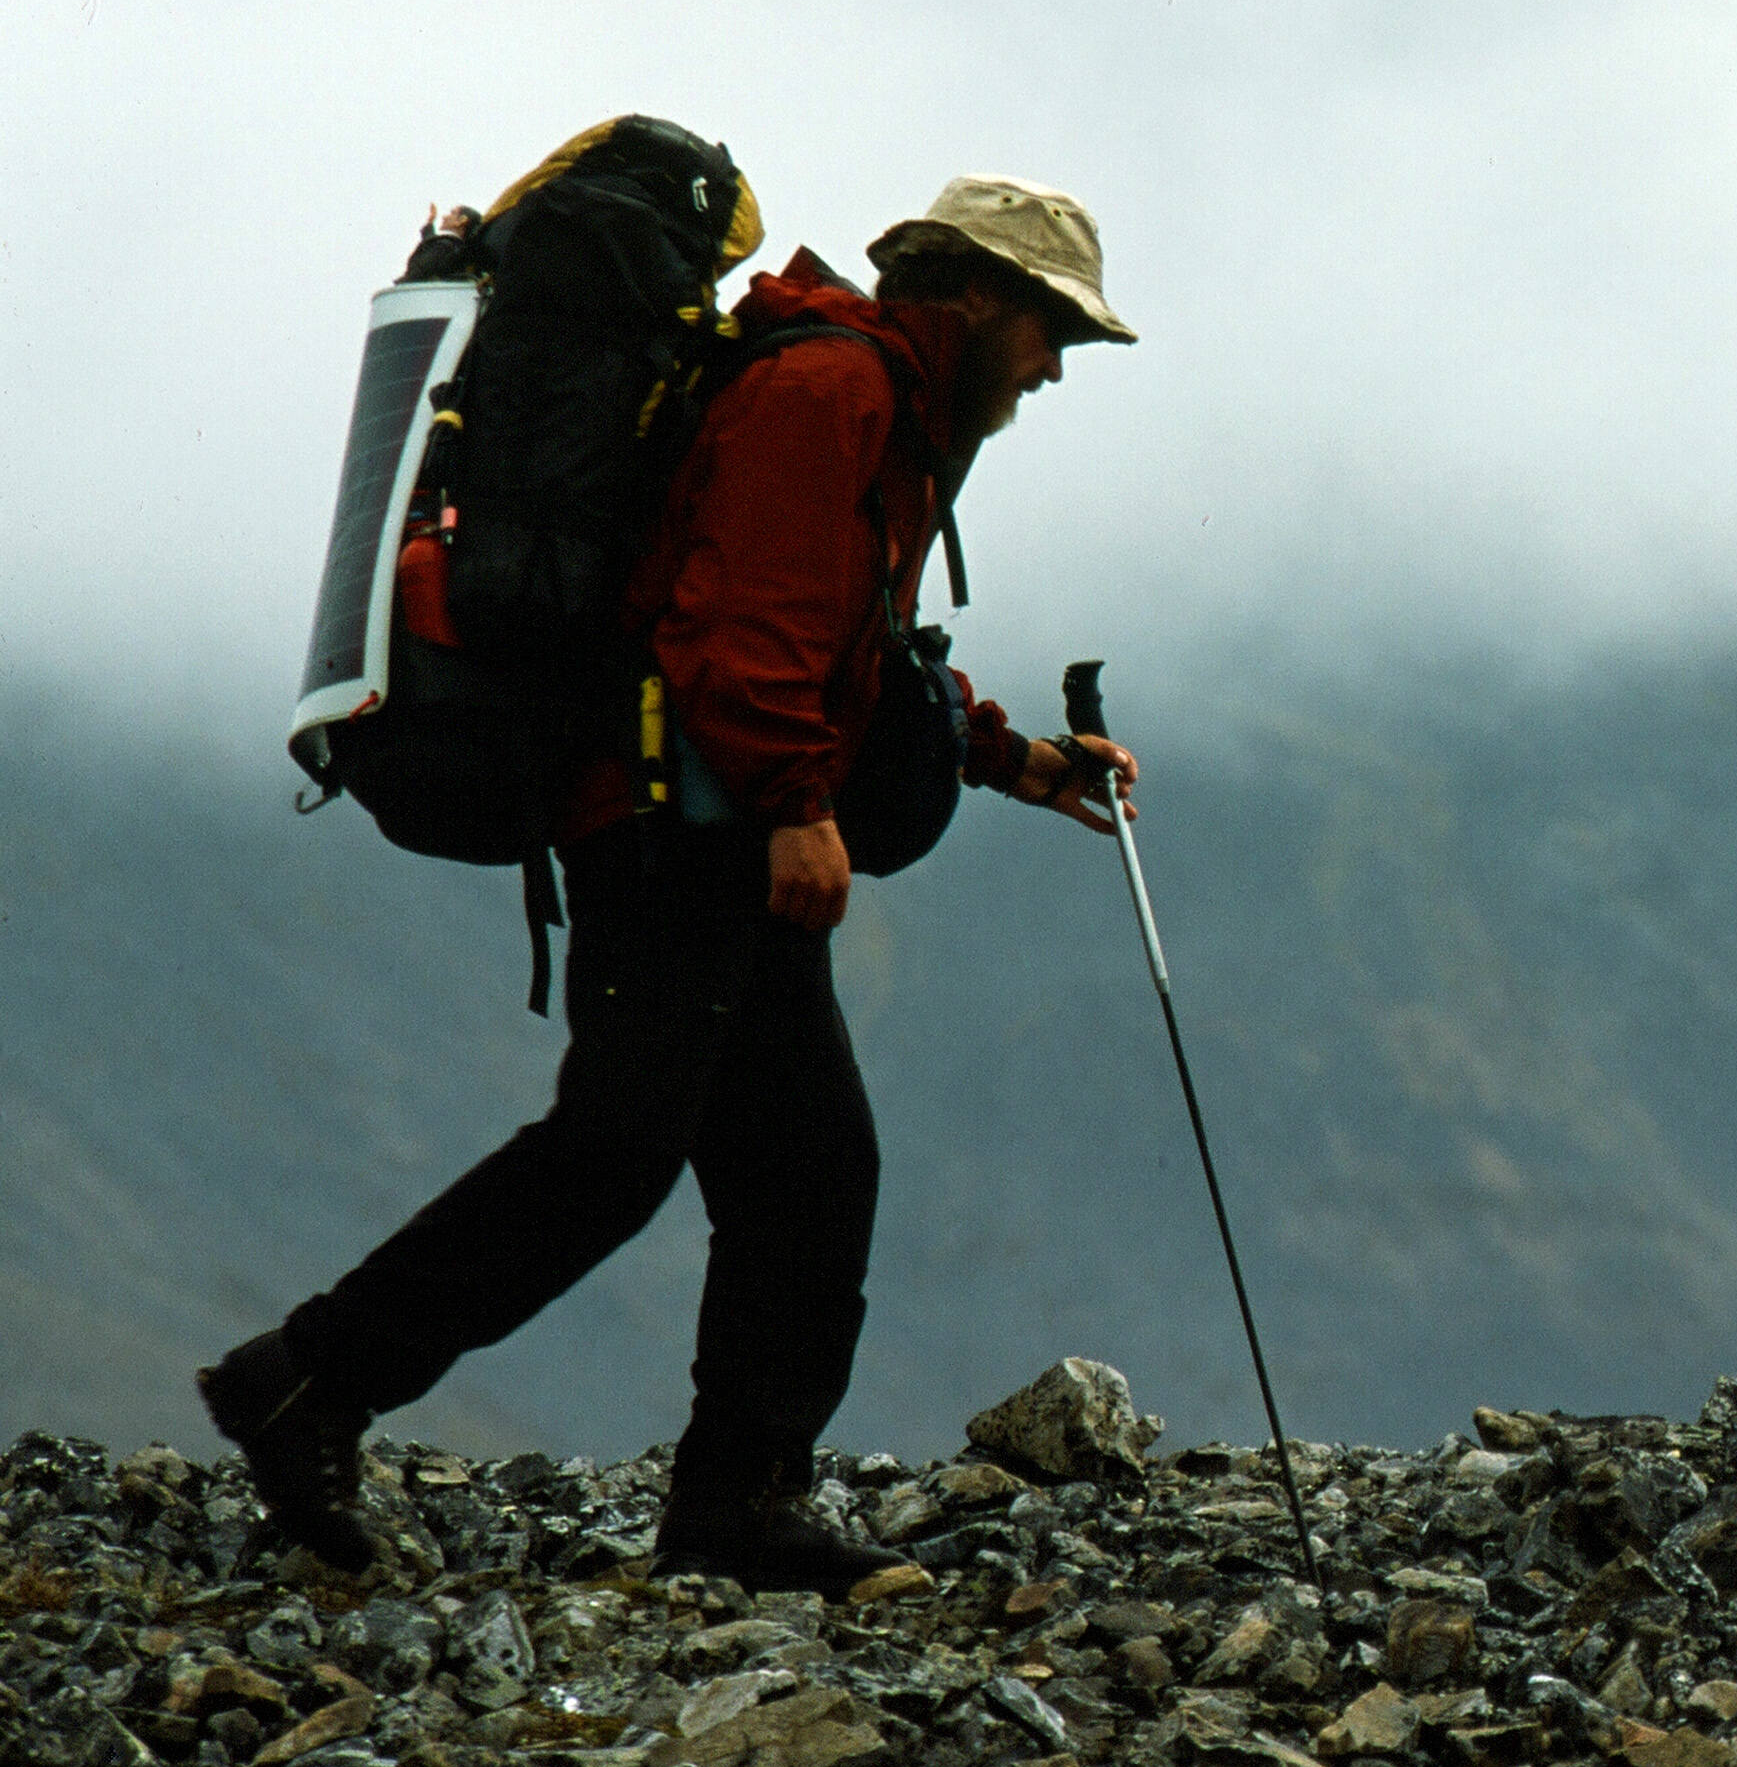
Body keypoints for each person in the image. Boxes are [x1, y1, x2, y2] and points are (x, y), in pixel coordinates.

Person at [199, 175, 1144, 1590]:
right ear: (978, 299)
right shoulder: (833, 394)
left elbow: (856, 657)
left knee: (806, 1170)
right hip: (677, 826)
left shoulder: (875, 405)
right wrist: (793, 806)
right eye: (1051, 328)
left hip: (707, 821)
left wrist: (1018, 762)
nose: (1054, 365)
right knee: (622, 1147)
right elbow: (736, 627)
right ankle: (310, 1376)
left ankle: (737, 1505)